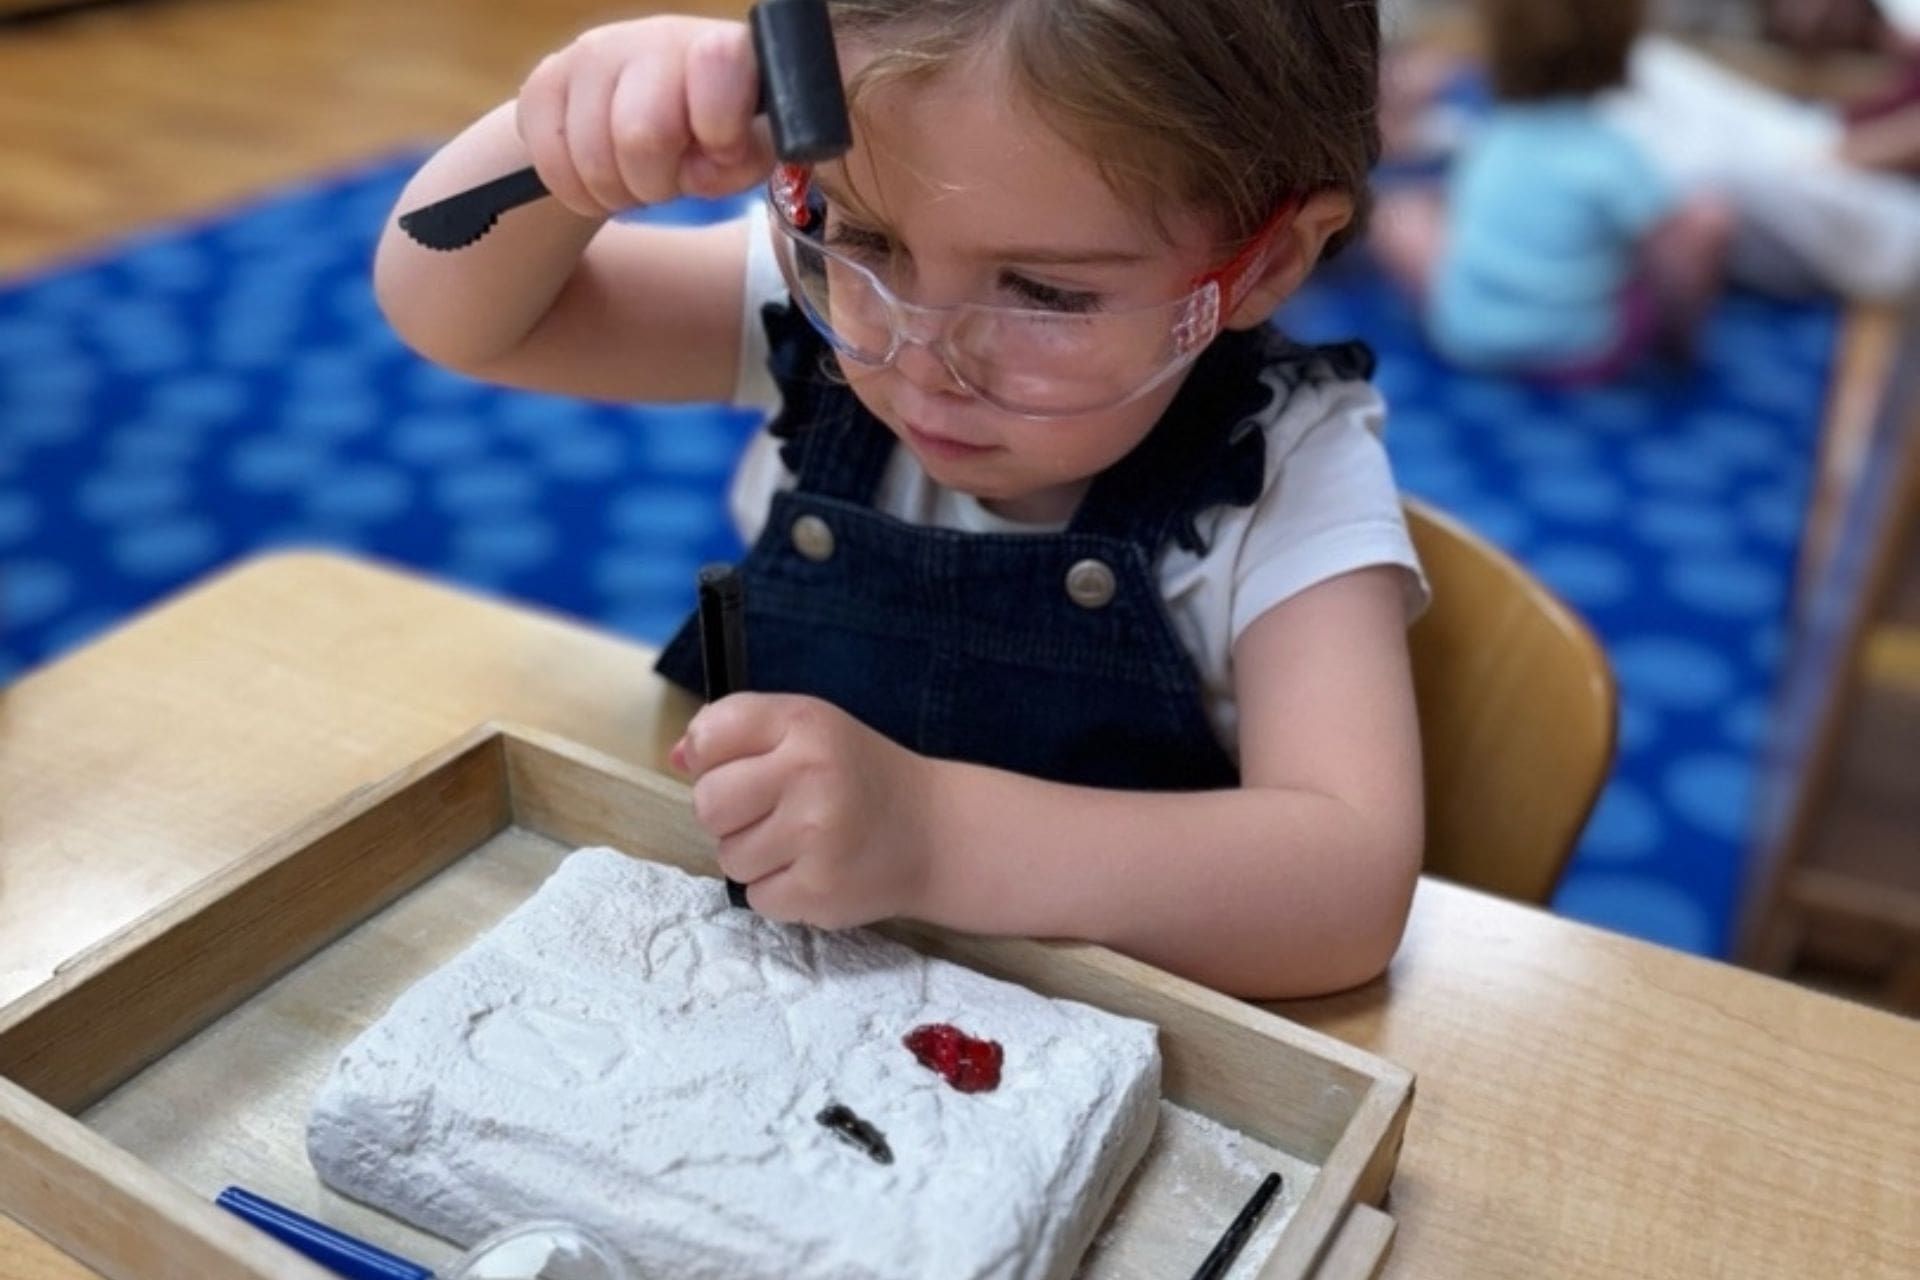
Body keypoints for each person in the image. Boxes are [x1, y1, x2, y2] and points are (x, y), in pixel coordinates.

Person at [372, 1, 1427, 999]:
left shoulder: (1286, 466)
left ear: (1265, 261)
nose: (923, 357)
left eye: (1047, 293)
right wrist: (558, 142)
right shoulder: (817, 311)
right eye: (861, 238)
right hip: (767, 989)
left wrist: (929, 835)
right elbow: (451, 312)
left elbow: (1348, 885)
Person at [1372, 0, 1735, 381]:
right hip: (1580, 350)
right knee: (1701, 221)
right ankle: (1675, 356)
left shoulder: (1493, 134)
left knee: (1401, 213)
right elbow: (1676, 246)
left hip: (1469, 335)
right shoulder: (1616, 151)